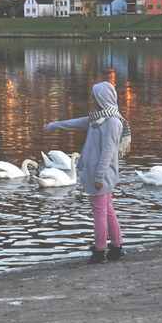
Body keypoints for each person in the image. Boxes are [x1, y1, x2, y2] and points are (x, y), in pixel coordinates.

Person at [44, 81, 131, 264]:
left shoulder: (113, 122)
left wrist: (99, 176)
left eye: (95, 95)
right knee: (107, 210)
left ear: (103, 98)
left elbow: (108, 151)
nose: (92, 98)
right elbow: (78, 123)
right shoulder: (100, 118)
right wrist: (55, 125)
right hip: (98, 172)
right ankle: (116, 247)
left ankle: (100, 252)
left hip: (100, 173)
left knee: (99, 212)